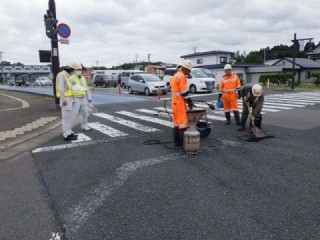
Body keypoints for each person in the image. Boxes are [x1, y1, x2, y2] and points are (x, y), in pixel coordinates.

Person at [170, 59, 194, 146]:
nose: (189, 72)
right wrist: (190, 101)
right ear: (186, 69)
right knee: (183, 123)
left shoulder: (176, 75)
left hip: (174, 102)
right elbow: (183, 92)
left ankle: (176, 142)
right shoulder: (182, 76)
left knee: (176, 123)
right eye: (189, 70)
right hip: (179, 102)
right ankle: (182, 143)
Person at [56, 63, 78, 141]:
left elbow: (68, 89)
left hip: (68, 99)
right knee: (66, 118)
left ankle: (69, 132)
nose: (73, 71)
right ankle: (66, 135)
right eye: (73, 69)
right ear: (69, 68)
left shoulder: (66, 75)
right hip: (65, 99)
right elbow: (61, 88)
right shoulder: (62, 75)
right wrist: (63, 99)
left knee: (68, 117)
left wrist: (72, 100)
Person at [70, 64, 92, 131]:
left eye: (80, 69)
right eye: (78, 69)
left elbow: (86, 88)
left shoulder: (83, 78)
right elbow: (70, 89)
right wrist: (72, 99)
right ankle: (69, 128)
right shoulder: (71, 78)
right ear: (74, 70)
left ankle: (84, 125)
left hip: (83, 97)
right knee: (74, 114)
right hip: (76, 98)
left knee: (85, 113)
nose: (79, 71)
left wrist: (89, 97)